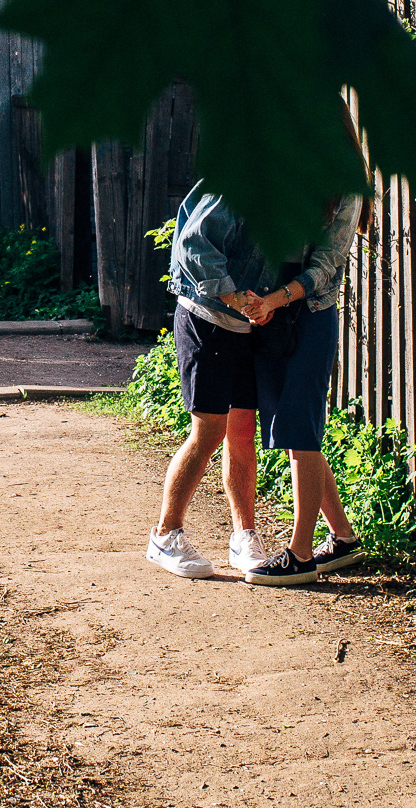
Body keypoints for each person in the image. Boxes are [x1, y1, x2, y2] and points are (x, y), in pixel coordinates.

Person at [235, 183, 368, 587]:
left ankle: (301, 555)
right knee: (293, 431)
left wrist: (275, 299)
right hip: (269, 313)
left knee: (302, 430)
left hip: (308, 312)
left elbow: (329, 261)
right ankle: (343, 538)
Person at [143, 185, 271, 579]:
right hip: (208, 319)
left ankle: (244, 537)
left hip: (247, 327)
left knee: (242, 431)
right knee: (208, 431)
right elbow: (194, 244)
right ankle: (165, 536)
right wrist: (235, 298)